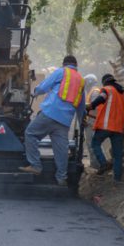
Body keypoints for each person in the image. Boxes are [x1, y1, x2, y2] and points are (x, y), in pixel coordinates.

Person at [19, 55, 87, 186]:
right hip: (65, 121)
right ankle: (61, 177)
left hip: (50, 113)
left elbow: (44, 87)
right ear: (76, 66)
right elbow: (81, 106)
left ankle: (36, 166)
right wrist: (81, 120)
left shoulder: (61, 72)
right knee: (61, 149)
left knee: (30, 134)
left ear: (64, 64)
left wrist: (34, 92)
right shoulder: (81, 80)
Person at [87, 73, 124, 181]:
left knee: (95, 143)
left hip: (106, 125)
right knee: (117, 155)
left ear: (104, 82)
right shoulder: (122, 93)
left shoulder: (107, 89)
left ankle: (104, 164)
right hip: (118, 127)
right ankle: (117, 179)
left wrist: (91, 106)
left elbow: (101, 98)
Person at [82, 74, 100, 169]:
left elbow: (94, 108)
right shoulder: (90, 92)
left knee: (92, 144)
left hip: (93, 122)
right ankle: (95, 164)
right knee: (90, 143)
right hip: (90, 121)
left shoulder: (95, 92)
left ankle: (97, 165)